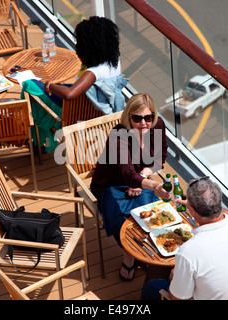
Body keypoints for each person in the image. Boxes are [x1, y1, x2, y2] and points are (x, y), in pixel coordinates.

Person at [90, 93, 169, 281]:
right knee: (123, 221)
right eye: (137, 118)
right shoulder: (119, 135)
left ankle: (151, 249)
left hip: (140, 178)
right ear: (128, 117)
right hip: (110, 185)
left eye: (148, 118)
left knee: (153, 215)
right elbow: (126, 173)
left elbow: (159, 158)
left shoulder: (157, 126)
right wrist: (150, 184)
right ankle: (130, 255)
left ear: (153, 116)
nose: (143, 123)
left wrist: (142, 177)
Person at [141, 176, 228, 300]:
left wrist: (174, 277)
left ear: (191, 210)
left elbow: (178, 298)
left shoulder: (188, 252)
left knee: (152, 286)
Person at [43, 16, 128, 114]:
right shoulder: (114, 61)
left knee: (32, 84)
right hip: (95, 106)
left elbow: (69, 94)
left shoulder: (93, 73)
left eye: (79, 43)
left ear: (90, 48)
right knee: (60, 86)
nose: (75, 46)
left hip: (77, 111)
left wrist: (49, 85)